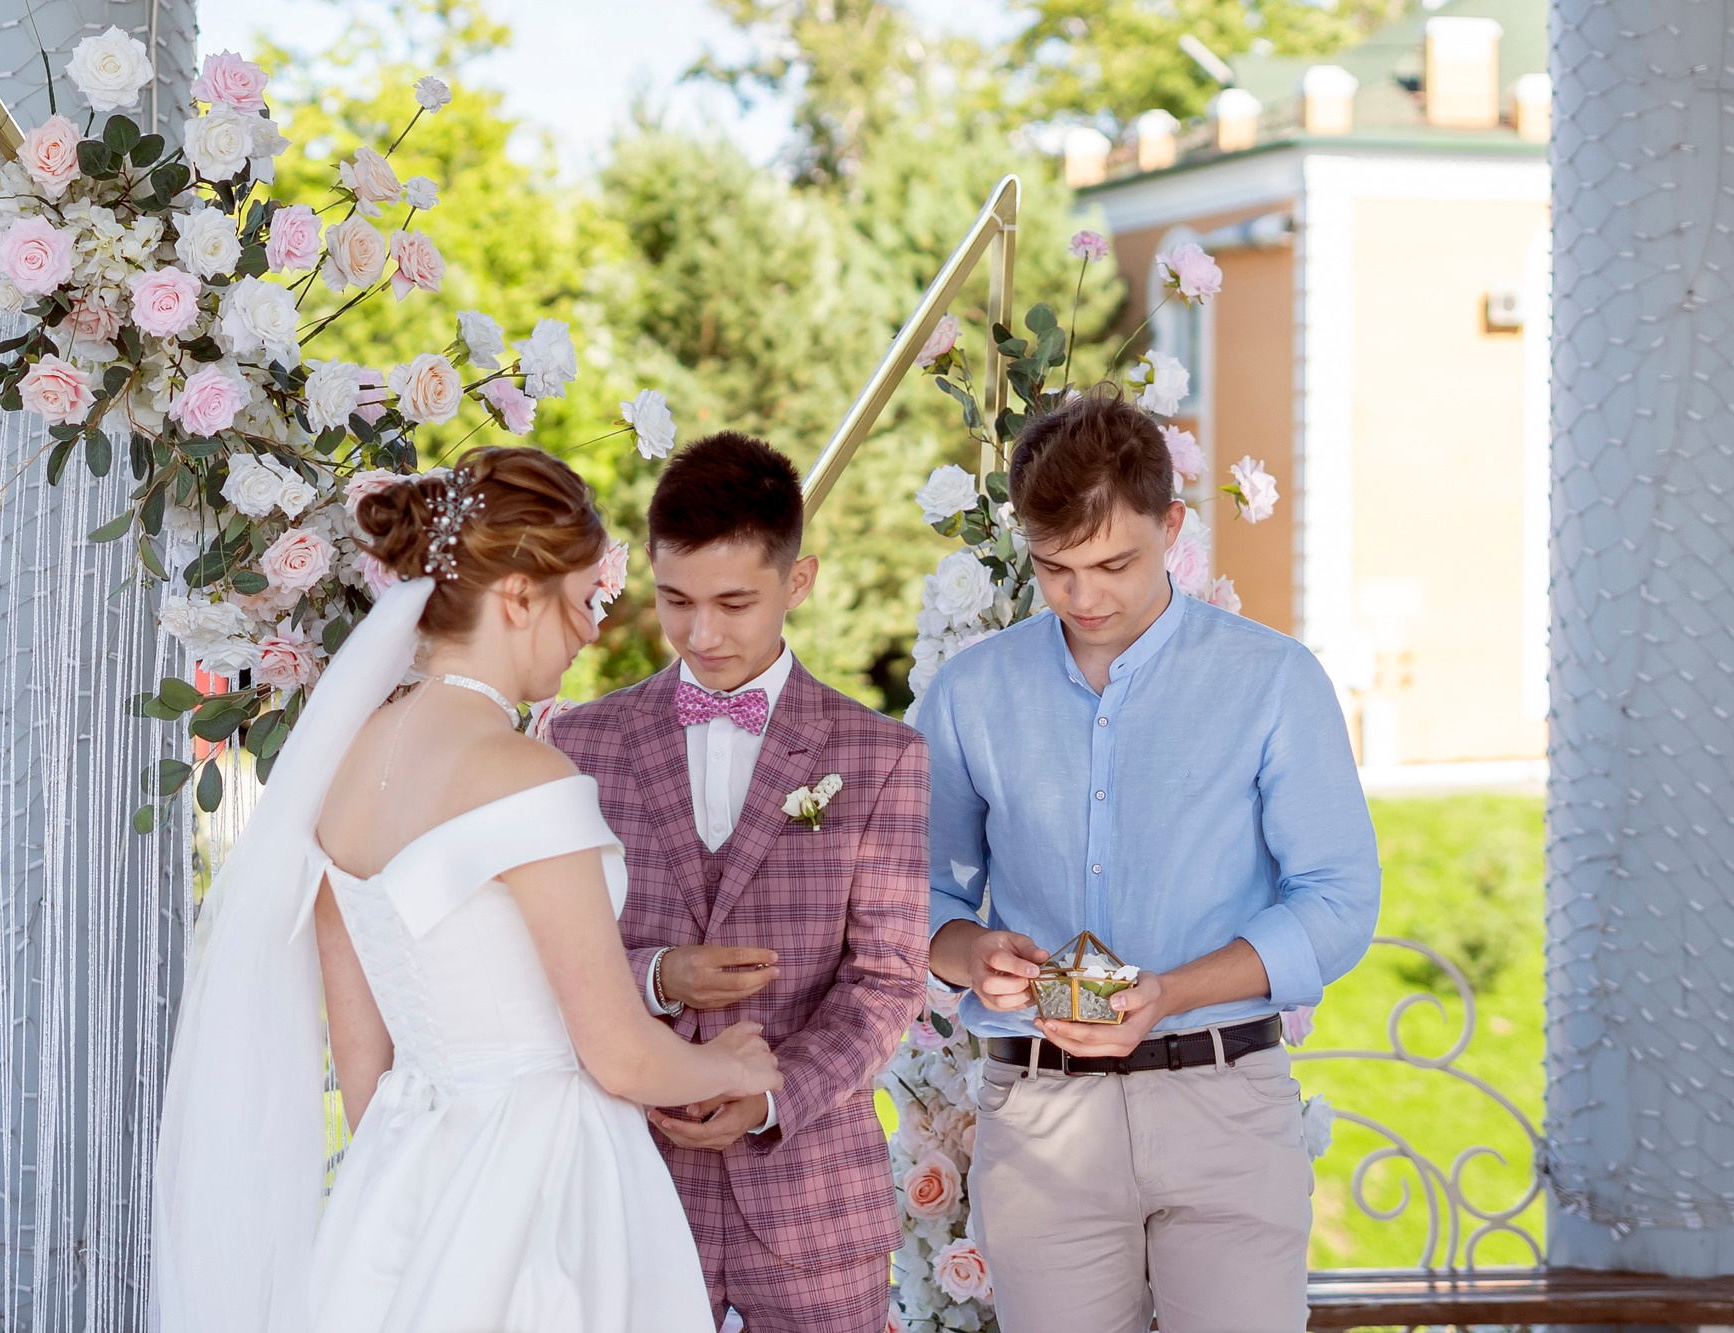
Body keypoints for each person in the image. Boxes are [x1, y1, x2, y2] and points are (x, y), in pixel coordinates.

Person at [152, 446, 780, 1333]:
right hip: (549, 1186)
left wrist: (417, 1191)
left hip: (402, 1172)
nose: (590, 630)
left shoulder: (345, 761)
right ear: (518, 595)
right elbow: (620, 1054)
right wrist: (733, 1065)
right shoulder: (525, 774)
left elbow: (362, 1058)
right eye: (582, 601)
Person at [915, 390, 1381, 1333]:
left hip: (1226, 1107)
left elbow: (1337, 901)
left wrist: (1171, 991)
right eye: (1055, 569)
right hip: (1040, 1112)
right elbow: (910, 891)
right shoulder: (972, 694)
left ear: (1171, 526)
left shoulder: (1273, 681)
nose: (1084, 598)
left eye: (1114, 563)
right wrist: (971, 955)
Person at [549, 432, 930, 1333]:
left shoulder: (881, 757)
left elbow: (887, 981)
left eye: (734, 602)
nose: (702, 633)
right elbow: (551, 948)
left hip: (813, 1200)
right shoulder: (580, 744)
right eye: (676, 599)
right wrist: (656, 974)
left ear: (799, 583)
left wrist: (770, 1094)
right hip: (629, 1181)